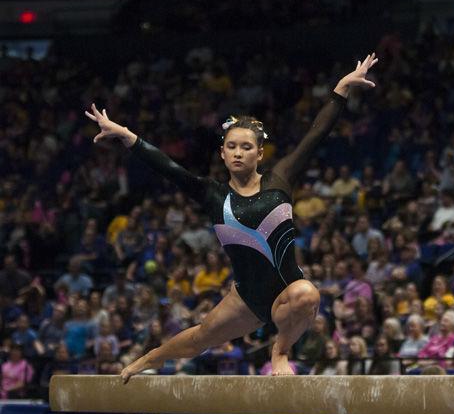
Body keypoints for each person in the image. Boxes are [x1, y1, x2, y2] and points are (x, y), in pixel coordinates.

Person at [86, 53, 379, 379]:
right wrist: (127, 135)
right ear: (222, 153)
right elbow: (169, 168)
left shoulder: (279, 180)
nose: (239, 152)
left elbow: (315, 134)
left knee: (308, 294)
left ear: (259, 153)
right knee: (199, 338)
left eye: (246, 147)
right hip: (246, 298)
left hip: (288, 290)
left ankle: (280, 351)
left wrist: (340, 89)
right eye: (232, 146)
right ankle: (148, 360)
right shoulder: (212, 194)